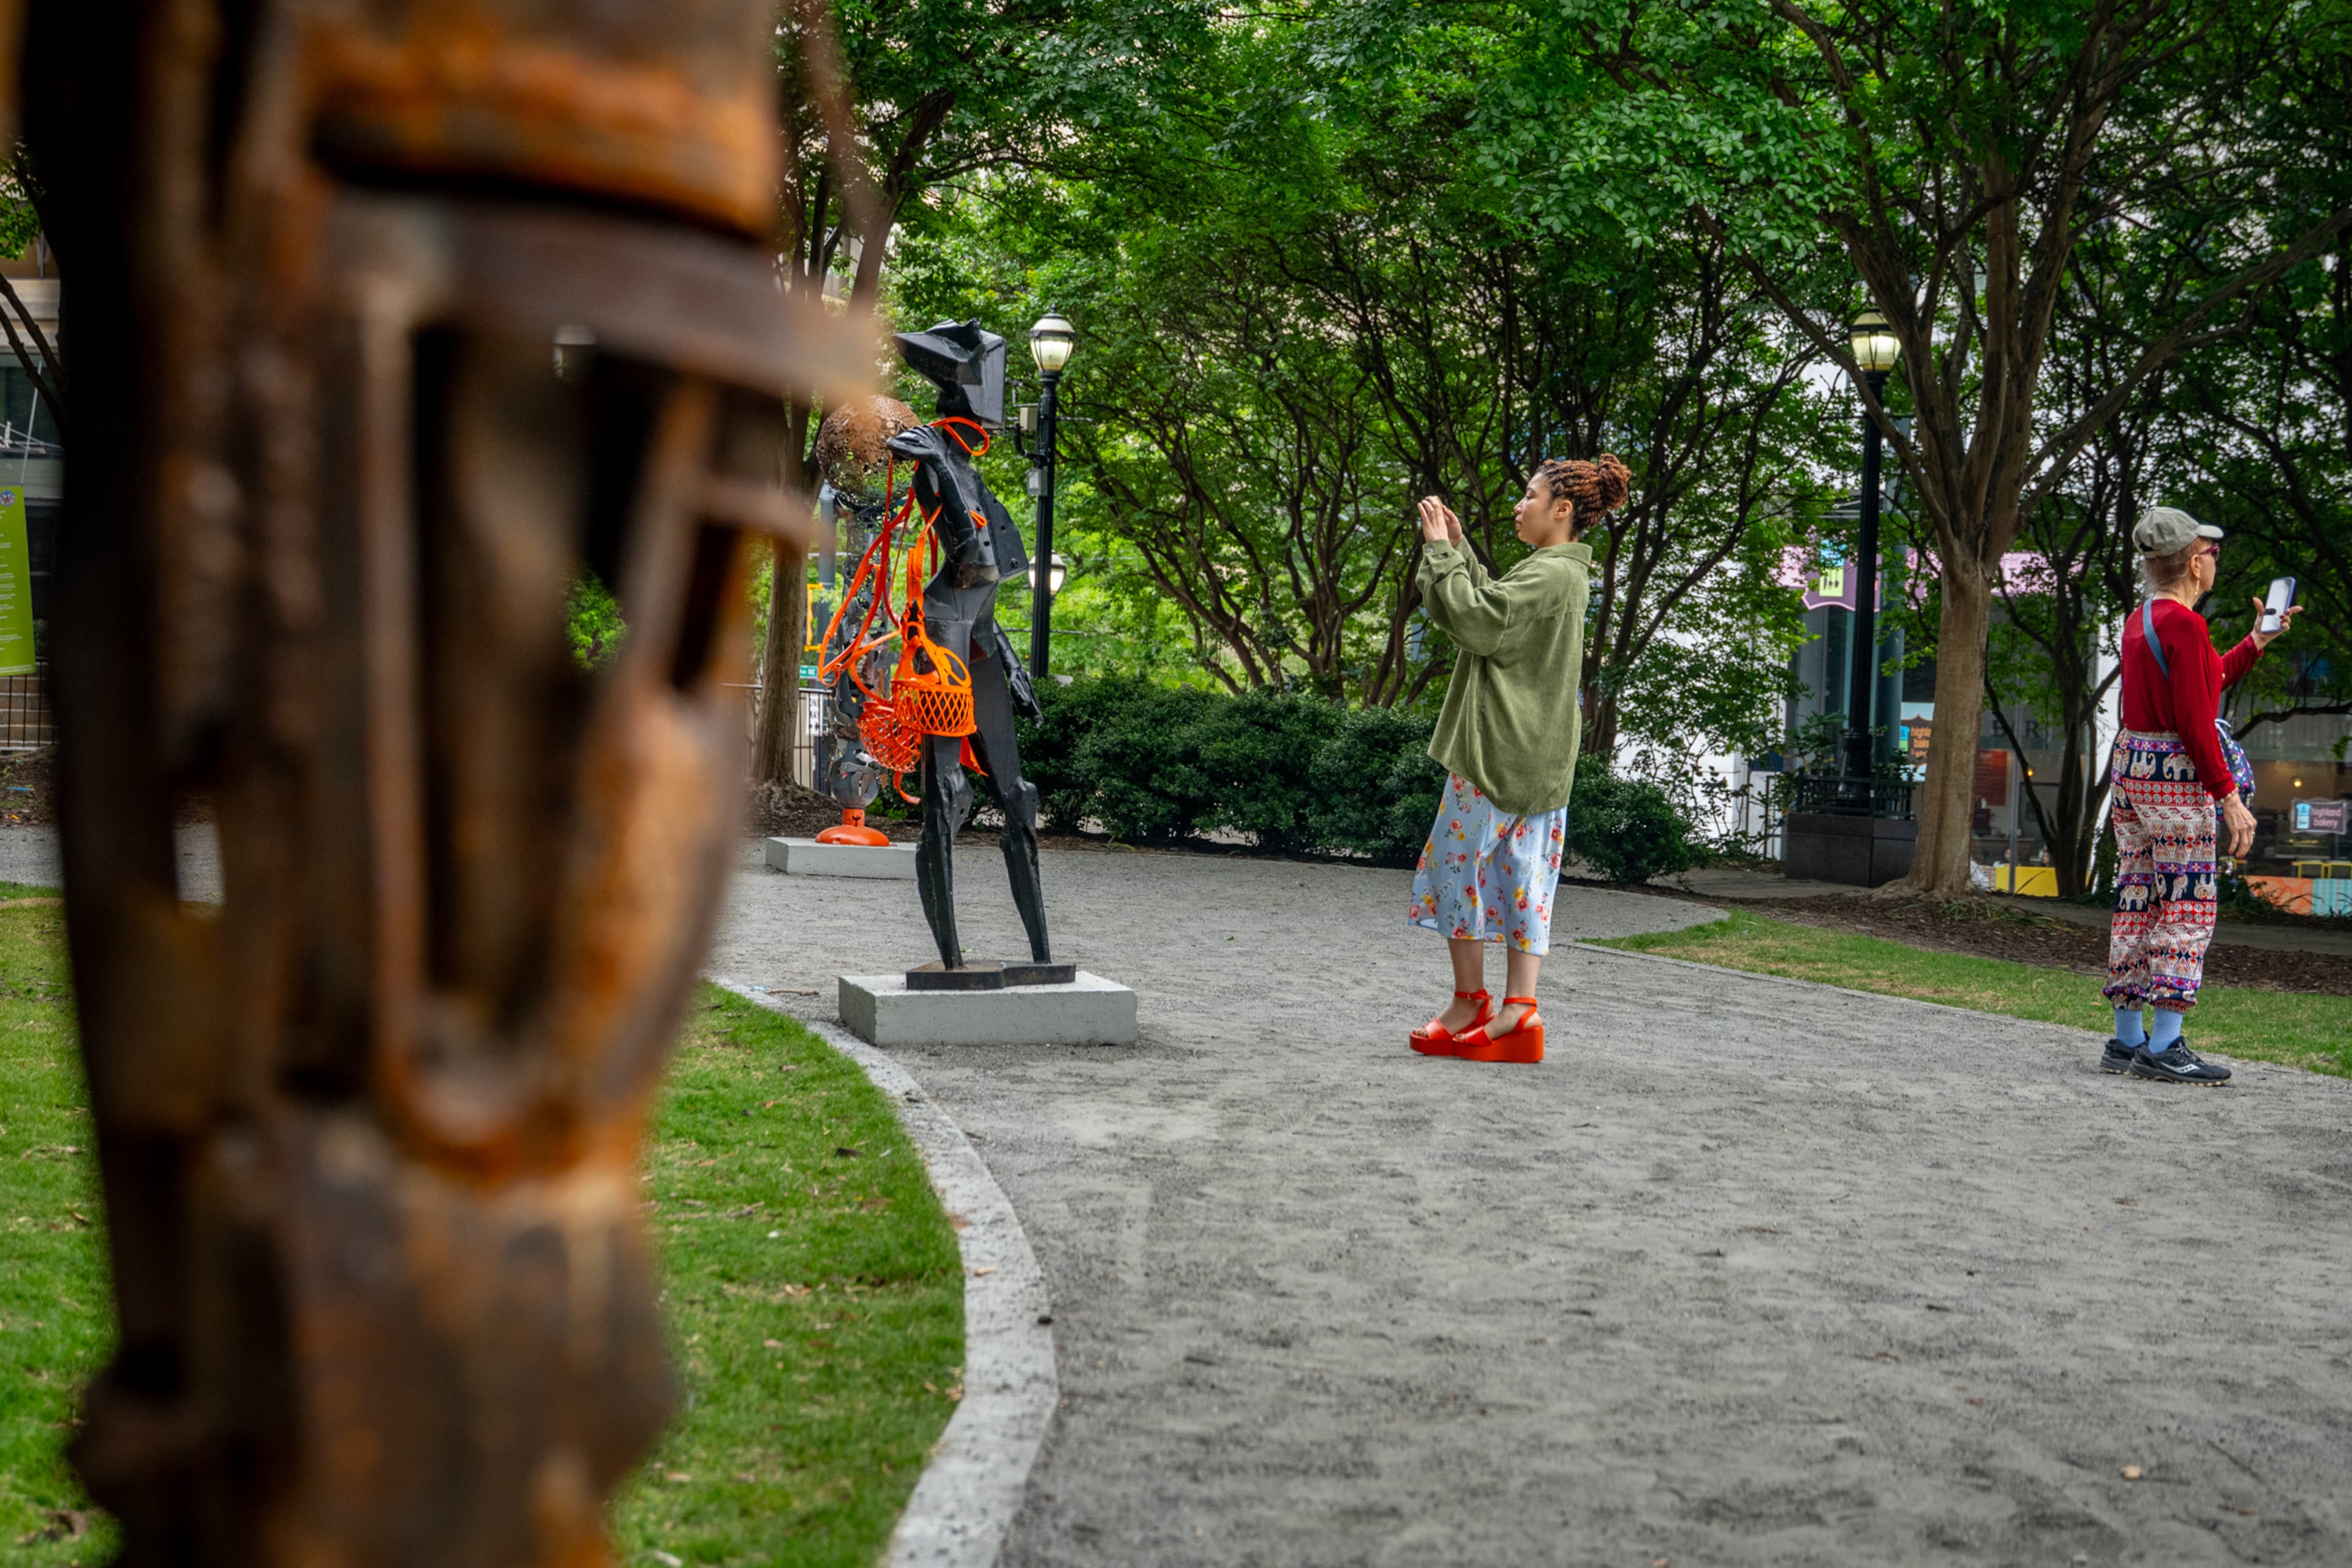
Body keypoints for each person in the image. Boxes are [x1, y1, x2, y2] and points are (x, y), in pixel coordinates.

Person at [1405, 455, 1628, 1064]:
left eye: (1529, 496)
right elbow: (1498, 609)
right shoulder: (1561, 572)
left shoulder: (1552, 573)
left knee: (1457, 870)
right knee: (1523, 878)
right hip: (1541, 758)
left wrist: (1441, 553)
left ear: (1562, 510)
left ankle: (1471, 1000)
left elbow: (1479, 623)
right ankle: (1519, 1011)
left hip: (1496, 751)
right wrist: (1459, 548)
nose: (1518, 505)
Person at [2104, 506, 2299, 1084]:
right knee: (2187, 903)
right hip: (2173, 773)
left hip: (2132, 766)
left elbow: (2203, 679)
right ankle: (2165, 1047)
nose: (2215, 561)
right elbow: (2194, 717)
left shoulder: (2141, 618)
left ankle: (2126, 1039)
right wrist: (2229, 796)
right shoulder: (2185, 626)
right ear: (2194, 562)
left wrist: (2257, 641)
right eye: (2211, 553)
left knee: (2138, 892)